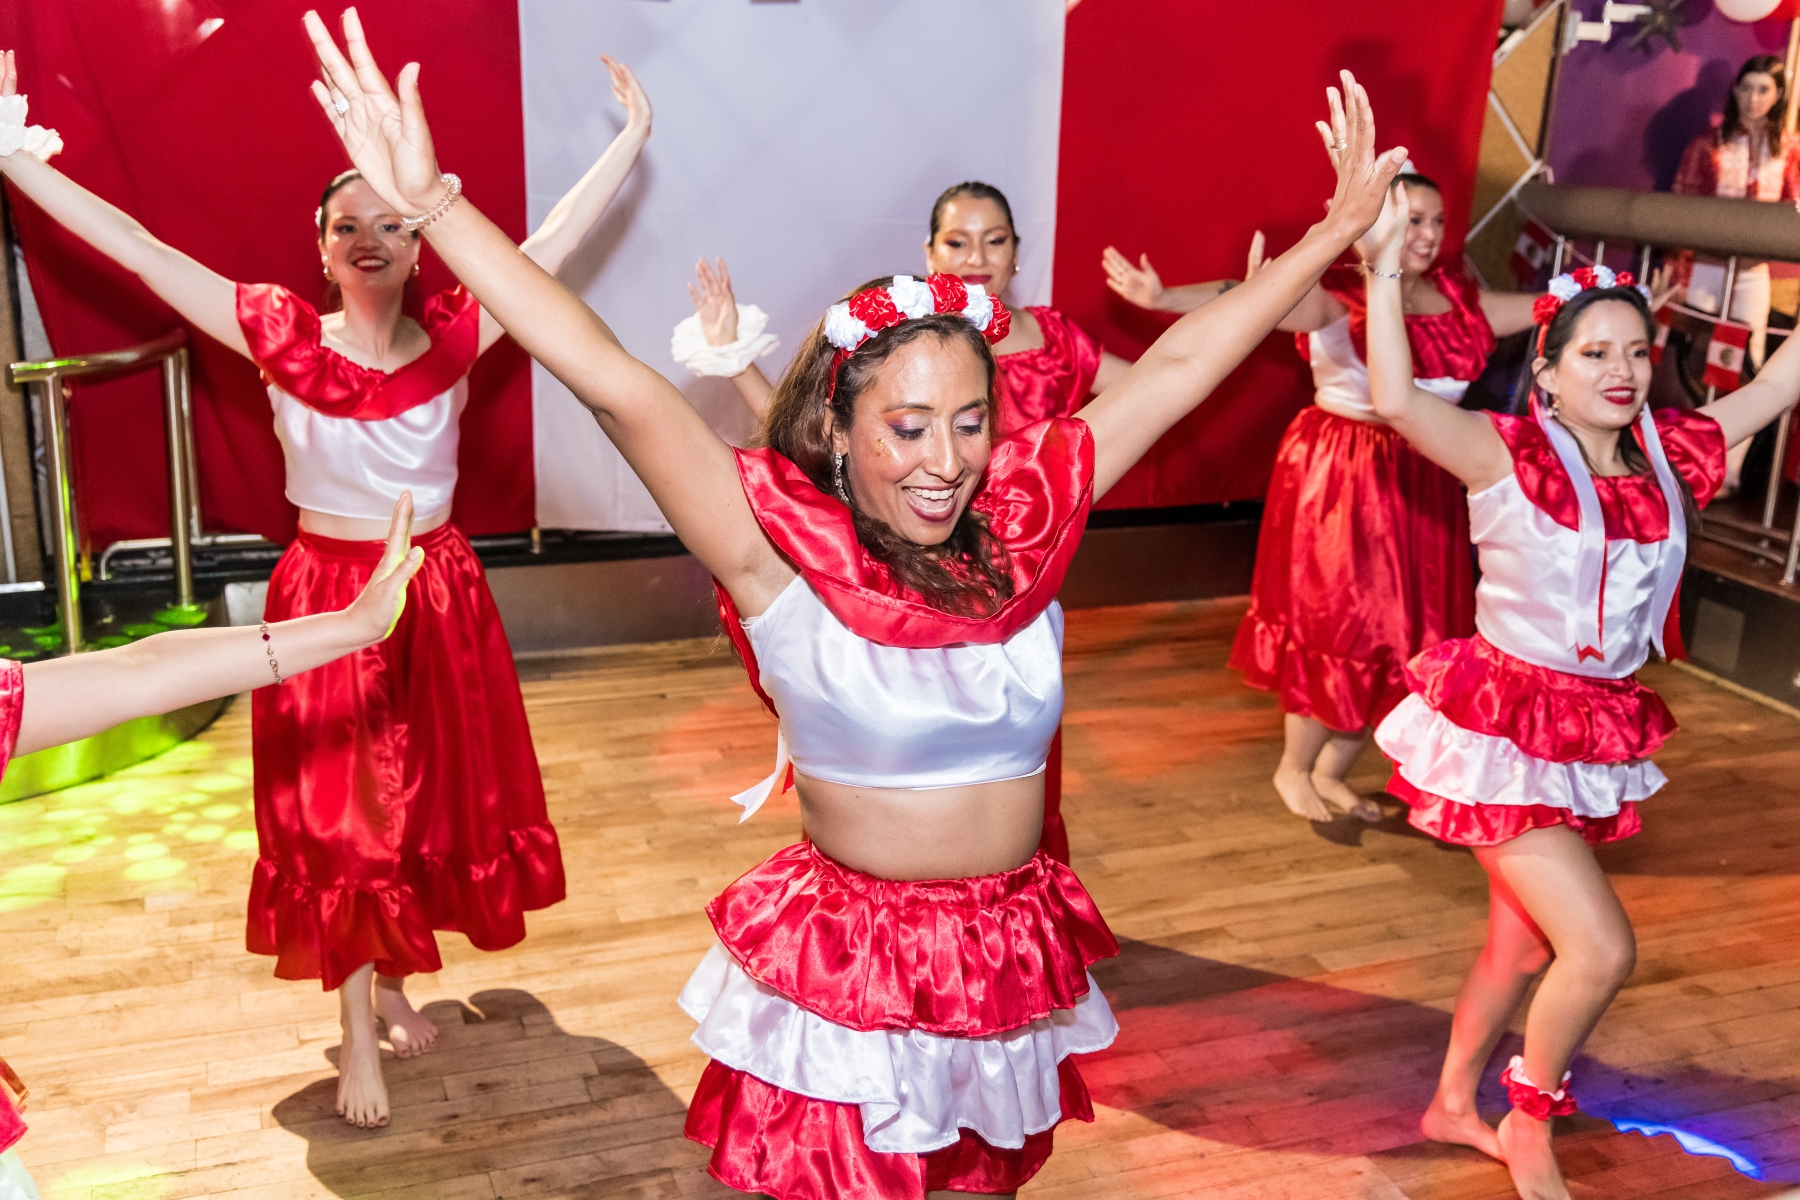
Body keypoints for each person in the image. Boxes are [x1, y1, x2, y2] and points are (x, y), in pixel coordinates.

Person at [302, 10, 1404, 1195]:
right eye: (908, 427)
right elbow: (610, 378)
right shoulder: (778, 551)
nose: (947, 461)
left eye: (971, 423)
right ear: (838, 428)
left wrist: (1333, 233)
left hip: (1010, 955)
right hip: (853, 971)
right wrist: (436, 208)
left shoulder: (1026, 521)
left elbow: (1182, 367)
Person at [0, 47, 655, 1128]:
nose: (367, 237)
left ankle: (389, 983)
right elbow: (141, 249)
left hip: (439, 593)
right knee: (342, 820)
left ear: (420, 241)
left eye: (389, 221)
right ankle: (356, 1029)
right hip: (322, 597)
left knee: (423, 805)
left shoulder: (460, 333)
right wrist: (19, 165)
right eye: (345, 224)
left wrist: (629, 142)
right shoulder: (279, 337)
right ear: (320, 249)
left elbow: (548, 249)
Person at [1362, 183, 1798, 1199]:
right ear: (1548, 376)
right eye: (1594, 352)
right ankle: (1529, 1118)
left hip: (1589, 730)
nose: (1622, 370)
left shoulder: (1671, 456)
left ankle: (1450, 1104)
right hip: (1501, 728)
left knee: (1521, 951)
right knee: (1599, 951)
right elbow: (1395, 399)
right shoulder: (1506, 455)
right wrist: (1381, 265)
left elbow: (1781, 381)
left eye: (1637, 352)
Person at [678, 185, 1135, 866]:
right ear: (930, 255)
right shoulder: (894, 353)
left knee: (1017, 771)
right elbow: (820, 455)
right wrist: (739, 363)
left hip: (1009, 583)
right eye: (958, 241)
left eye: (995, 240)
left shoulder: (1059, 341)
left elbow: (1153, 389)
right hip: (895, 582)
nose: (977, 256)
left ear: (1017, 253)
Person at [1106, 173, 1547, 824]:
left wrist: (1602, 296)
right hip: (1345, 479)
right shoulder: (1341, 296)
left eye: (1435, 221)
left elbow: (1543, 306)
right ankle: (1294, 766)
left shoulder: (1459, 299)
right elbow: (1245, 299)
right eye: (1410, 220)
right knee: (1343, 625)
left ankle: (1331, 771)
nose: (1425, 235)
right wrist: (1166, 296)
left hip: (1427, 480)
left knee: (1411, 634)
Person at [1671, 54, 1800, 492]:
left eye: (1764, 89)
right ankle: (1684, 459)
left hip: (1753, 271)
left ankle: (1729, 472)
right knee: (1695, 358)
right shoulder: (1709, 142)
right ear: (1734, 91)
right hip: (1707, 267)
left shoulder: (1788, 149)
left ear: (1778, 95)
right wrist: (1680, 271)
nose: (1753, 98)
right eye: (1746, 87)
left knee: (1748, 363)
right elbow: (1680, 208)